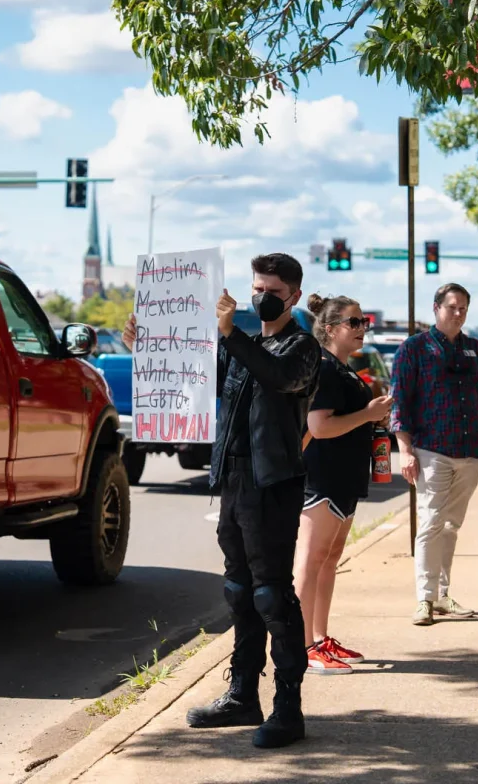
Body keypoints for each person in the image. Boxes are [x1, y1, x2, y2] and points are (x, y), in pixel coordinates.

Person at [123, 252, 320, 749]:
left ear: (293, 295)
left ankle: (288, 707)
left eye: (272, 290)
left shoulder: (302, 348)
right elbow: (196, 376)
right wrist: (147, 349)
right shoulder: (244, 344)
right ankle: (241, 695)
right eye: (257, 287)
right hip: (234, 481)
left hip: (272, 484)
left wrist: (229, 332)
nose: (261, 297)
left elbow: (278, 377)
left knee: (272, 594)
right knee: (239, 591)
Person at [390, 283, 478, 627]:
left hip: (469, 452)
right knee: (430, 523)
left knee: (451, 525)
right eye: (452, 307)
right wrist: (405, 450)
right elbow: (400, 403)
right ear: (436, 308)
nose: (458, 313)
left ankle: (442, 594)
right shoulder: (414, 349)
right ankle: (424, 598)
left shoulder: (476, 350)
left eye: (463, 308)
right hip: (431, 450)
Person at [296, 294, 393, 674]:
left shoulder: (346, 370)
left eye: (364, 321)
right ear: (330, 328)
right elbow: (319, 427)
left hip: (344, 477)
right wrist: (368, 413)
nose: (362, 328)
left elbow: (349, 419)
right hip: (322, 477)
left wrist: (373, 419)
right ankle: (303, 645)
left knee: (330, 559)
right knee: (311, 559)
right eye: (354, 322)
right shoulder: (324, 369)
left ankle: (320, 637)